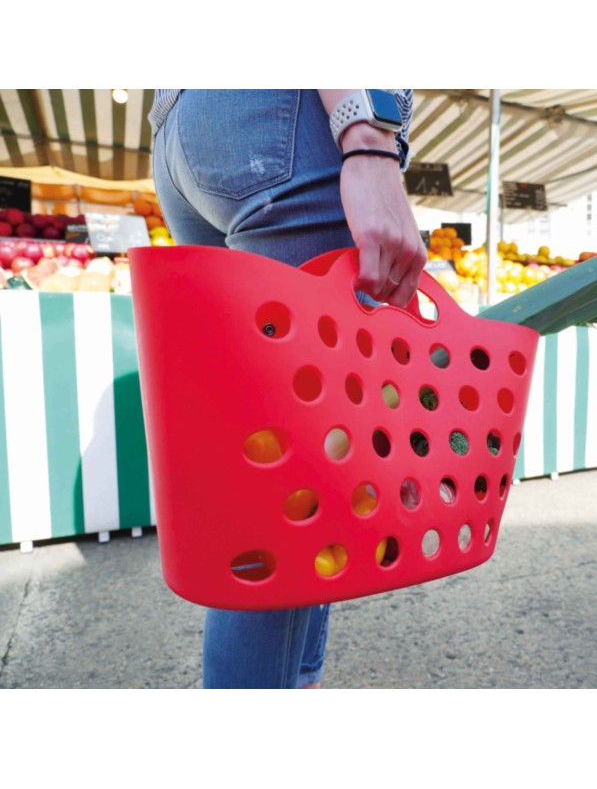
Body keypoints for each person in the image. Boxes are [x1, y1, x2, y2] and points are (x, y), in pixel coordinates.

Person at [148, 89, 427, 688]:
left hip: (184, 127)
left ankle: (296, 683)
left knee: (275, 468)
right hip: (285, 116)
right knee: (290, 499)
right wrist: (369, 137)